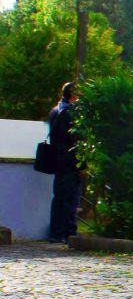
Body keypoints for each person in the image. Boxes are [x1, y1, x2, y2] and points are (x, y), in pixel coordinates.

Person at [46, 81, 81, 244]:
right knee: (70, 197)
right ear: (74, 96)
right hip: (70, 160)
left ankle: (55, 231)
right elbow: (74, 139)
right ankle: (68, 232)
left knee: (58, 197)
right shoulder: (71, 113)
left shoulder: (55, 111)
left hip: (57, 160)